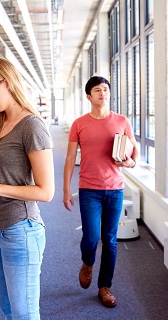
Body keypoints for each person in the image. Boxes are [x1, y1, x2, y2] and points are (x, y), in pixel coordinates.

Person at [0, 57, 55, 320]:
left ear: (6, 83)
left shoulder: (32, 126)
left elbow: (45, 192)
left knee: (24, 314)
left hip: (21, 230)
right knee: (7, 310)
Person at [62, 76, 139, 308]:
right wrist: (66, 189)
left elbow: (135, 150)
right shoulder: (79, 124)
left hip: (115, 188)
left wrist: (131, 163)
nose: (103, 93)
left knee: (110, 239)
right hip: (88, 189)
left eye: (105, 89)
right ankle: (87, 262)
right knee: (92, 237)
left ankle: (104, 286)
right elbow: (68, 158)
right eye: (97, 90)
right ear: (89, 96)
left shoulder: (122, 121)